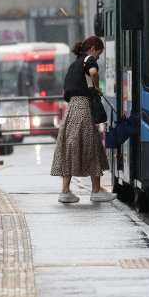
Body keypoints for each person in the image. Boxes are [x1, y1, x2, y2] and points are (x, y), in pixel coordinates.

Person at [50, 35, 116, 203]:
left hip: (71, 108)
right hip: (83, 107)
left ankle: (65, 191)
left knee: (70, 147)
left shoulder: (74, 65)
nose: (98, 57)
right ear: (93, 48)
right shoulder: (88, 60)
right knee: (92, 146)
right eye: (99, 54)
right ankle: (96, 191)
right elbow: (93, 72)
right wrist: (96, 87)